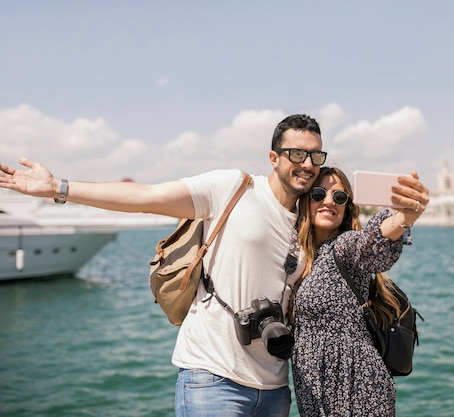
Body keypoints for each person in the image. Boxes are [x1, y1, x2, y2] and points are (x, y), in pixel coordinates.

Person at [0, 113, 326, 417]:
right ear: (274, 158)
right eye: (297, 154)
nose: (307, 164)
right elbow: (145, 196)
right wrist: (58, 188)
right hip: (213, 378)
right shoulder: (234, 187)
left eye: (315, 156)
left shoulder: (312, 221)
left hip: (275, 387)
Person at [290, 166, 428, 417]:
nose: (329, 201)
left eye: (340, 197)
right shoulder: (300, 257)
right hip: (317, 393)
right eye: (319, 194)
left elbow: (371, 245)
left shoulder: (343, 246)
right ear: (306, 201)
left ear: (347, 208)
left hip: (356, 390)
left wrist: (403, 218)